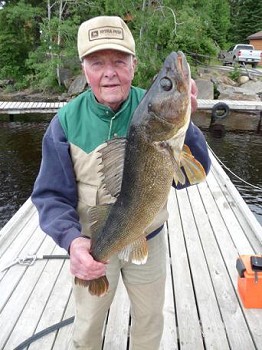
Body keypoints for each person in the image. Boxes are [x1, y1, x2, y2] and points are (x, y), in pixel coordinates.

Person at [31, 15, 211, 350]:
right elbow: (50, 195)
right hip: (94, 241)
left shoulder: (153, 111)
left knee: (149, 320)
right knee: (87, 325)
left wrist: (191, 124)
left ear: (133, 64)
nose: (109, 72)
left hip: (150, 237)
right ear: (84, 68)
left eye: (119, 61)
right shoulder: (65, 122)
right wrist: (73, 243)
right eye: (97, 62)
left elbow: (193, 175)